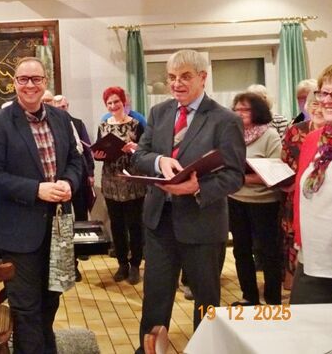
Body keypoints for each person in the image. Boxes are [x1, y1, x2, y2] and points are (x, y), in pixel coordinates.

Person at [132, 49, 246, 350]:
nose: (176, 84)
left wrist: (197, 188)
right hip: (159, 222)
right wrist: (159, 161)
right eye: (171, 77)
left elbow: (235, 176)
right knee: (155, 298)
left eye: (185, 77)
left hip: (202, 223)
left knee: (205, 302)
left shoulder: (225, 120)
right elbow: (140, 155)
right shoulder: (159, 112)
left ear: (203, 77)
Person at [0, 57, 83, 354]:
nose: (30, 85)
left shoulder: (61, 119)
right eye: (23, 79)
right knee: (26, 309)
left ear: (45, 82)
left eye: (36, 79)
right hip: (18, 232)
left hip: (57, 229)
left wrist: (69, 182)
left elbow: (76, 161)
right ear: (14, 83)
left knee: (50, 302)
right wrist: (36, 190)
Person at [229, 92, 283, 306]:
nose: (240, 113)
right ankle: (249, 296)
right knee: (241, 250)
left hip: (265, 202)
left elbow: (276, 173)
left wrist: (242, 177)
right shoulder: (232, 135)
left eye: (246, 109)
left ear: (258, 111)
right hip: (236, 199)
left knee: (268, 251)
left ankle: (272, 299)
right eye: (237, 109)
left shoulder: (270, 135)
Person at [94, 87, 146, 285]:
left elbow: (145, 150)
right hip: (111, 180)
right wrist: (98, 155)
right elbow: (100, 151)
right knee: (116, 224)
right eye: (109, 103)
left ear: (124, 102)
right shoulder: (103, 125)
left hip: (132, 180)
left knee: (135, 224)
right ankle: (122, 263)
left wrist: (134, 148)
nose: (113, 106)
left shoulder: (136, 124)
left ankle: (135, 265)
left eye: (116, 101)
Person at [290, 64, 332, 304]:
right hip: (311, 259)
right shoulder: (315, 139)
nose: (326, 100)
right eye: (323, 93)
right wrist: (299, 240)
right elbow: (301, 196)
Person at [280, 90, 325, 289]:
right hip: (296, 200)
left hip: (323, 209)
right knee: (295, 247)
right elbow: (284, 162)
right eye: (315, 103)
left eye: (323, 103)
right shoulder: (298, 132)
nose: (319, 108)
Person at [52, 94, 96, 280]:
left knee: (79, 216)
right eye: (58, 107)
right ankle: (66, 266)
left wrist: (90, 172)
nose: (61, 110)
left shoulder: (76, 123)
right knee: (62, 226)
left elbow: (83, 151)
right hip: (55, 185)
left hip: (75, 179)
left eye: (63, 106)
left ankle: (77, 259)